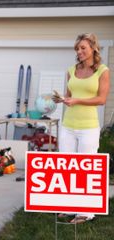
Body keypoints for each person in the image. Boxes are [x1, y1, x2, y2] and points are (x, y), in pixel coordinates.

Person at [54, 33, 110, 224]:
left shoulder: (103, 70)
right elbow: (69, 95)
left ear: (93, 48)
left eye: (83, 48)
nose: (79, 52)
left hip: (88, 127)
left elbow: (101, 100)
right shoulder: (71, 70)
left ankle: (87, 212)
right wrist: (60, 99)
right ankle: (70, 207)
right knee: (68, 167)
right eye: (77, 49)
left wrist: (77, 100)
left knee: (86, 169)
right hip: (68, 125)